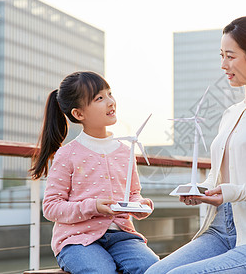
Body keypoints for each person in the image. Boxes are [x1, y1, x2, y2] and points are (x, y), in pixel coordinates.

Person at [145, 16, 246, 274]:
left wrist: (236, 192)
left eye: (230, 56)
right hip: (221, 232)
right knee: (153, 273)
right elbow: (220, 176)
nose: (223, 65)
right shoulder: (231, 112)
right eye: (221, 56)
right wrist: (202, 191)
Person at [30, 71, 159, 274]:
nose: (110, 102)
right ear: (79, 114)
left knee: (151, 268)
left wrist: (140, 205)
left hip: (122, 237)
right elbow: (51, 207)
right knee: (100, 271)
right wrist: (93, 207)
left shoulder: (126, 151)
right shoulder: (68, 154)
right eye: (99, 98)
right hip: (76, 240)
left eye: (109, 94)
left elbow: (133, 193)